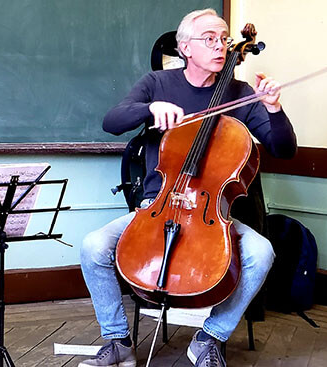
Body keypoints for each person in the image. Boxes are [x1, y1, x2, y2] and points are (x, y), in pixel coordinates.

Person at [79, 8, 297, 367]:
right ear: (185, 48)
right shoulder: (157, 84)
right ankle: (117, 341)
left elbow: (283, 149)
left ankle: (210, 338)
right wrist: (149, 109)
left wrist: (273, 109)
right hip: (156, 205)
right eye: (209, 39)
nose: (220, 46)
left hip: (211, 215)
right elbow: (112, 121)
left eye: (224, 39)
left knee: (262, 253)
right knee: (93, 247)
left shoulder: (241, 94)